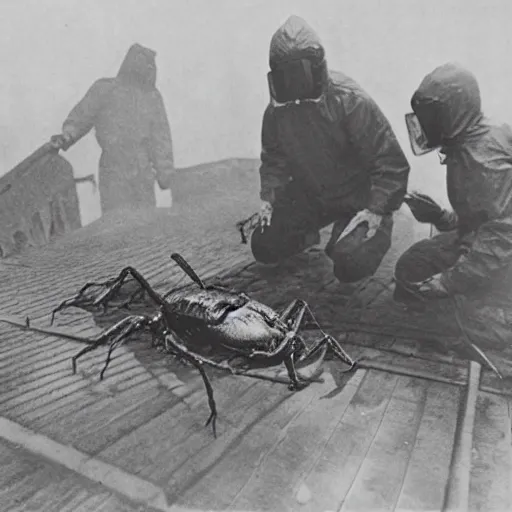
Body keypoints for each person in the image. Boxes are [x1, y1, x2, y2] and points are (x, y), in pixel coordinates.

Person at [250, 15, 410, 283]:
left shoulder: (351, 102)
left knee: (350, 263)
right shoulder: (277, 111)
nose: (292, 82)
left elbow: (390, 164)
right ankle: (309, 236)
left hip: (359, 198)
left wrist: (376, 208)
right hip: (313, 196)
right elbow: (274, 158)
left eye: (298, 71)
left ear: (316, 67)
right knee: (265, 245)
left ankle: (378, 230)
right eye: (284, 74)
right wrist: (269, 199)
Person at [395, 62, 512, 346]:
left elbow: (500, 239)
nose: (428, 124)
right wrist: (442, 217)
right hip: (484, 243)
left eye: (434, 117)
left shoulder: (482, 160)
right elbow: (479, 220)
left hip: (502, 255)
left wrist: (448, 282)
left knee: (480, 327)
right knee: (412, 267)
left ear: (454, 113)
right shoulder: (471, 137)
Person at [52, 43, 175, 215]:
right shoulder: (105, 89)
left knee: (146, 226)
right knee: (116, 223)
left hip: (142, 170)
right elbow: (82, 115)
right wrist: (68, 135)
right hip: (114, 167)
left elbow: (161, 138)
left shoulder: (152, 97)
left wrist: (165, 173)